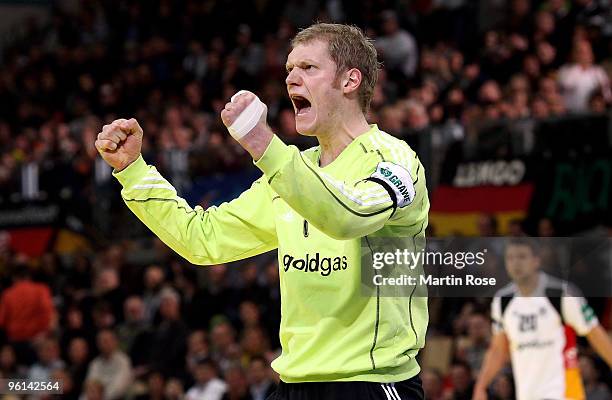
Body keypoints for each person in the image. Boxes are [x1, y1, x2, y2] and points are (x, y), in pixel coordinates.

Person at [96, 23, 429, 399]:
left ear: (350, 80)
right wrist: (133, 170)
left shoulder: (394, 159)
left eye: (307, 68)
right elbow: (202, 239)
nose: (291, 79)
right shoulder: (288, 175)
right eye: (288, 70)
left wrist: (262, 144)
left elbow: (349, 215)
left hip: (371, 382)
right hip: (295, 384)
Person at [473, 238, 612, 400]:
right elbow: (498, 350)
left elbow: (594, 332)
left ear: (536, 261)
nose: (516, 263)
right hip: (527, 393)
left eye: (522, 257)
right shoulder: (502, 301)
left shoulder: (561, 294)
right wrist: (481, 386)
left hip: (563, 392)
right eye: (510, 258)